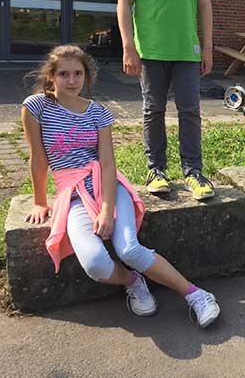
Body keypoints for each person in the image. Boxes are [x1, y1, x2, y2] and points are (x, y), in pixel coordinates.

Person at [22, 44, 220, 327]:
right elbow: (38, 159)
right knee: (95, 263)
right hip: (72, 196)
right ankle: (133, 281)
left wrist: (106, 210)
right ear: (51, 76)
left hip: (107, 187)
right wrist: (40, 202)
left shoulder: (98, 113)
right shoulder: (36, 107)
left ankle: (197, 295)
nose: (72, 80)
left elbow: (107, 165)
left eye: (78, 73)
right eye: (63, 74)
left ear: (86, 76)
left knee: (128, 249)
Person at [112, 0, 215, 198]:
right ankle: (156, 170)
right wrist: (128, 46)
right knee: (153, 110)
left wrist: (207, 47)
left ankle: (194, 172)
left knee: (190, 111)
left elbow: (205, 5)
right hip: (151, 50)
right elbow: (124, 1)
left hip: (187, 50)